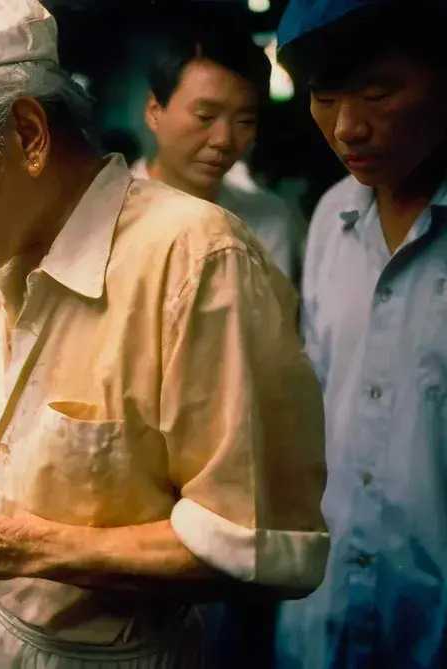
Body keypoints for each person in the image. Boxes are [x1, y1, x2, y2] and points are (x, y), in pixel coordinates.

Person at [0, 0, 329, 666]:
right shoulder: (12, 260)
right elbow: (40, 463)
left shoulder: (198, 262)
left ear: (28, 134)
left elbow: (248, 549)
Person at [272, 1, 447, 668]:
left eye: (379, 92)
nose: (348, 127)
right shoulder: (329, 220)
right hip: (320, 621)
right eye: (324, 97)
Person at [135, 21, 303, 280]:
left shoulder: (268, 222)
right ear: (154, 111)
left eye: (244, 121)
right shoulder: (108, 216)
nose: (224, 140)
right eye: (205, 116)